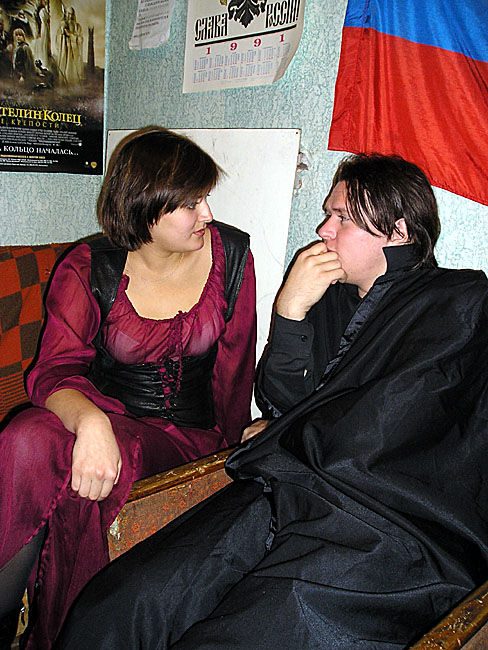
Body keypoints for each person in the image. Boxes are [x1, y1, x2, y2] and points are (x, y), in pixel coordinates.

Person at [55, 153, 488, 650]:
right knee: (120, 606)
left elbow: (407, 421)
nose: (323, 230)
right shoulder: (329, 296)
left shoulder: (460, 300)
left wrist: (294, 431)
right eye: (327, 214)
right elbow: (281, 403)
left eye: (342, 218)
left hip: (385, 527)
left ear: (398, 231)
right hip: (281, 491)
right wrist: (290, 311)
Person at [0, 126, 256, 650]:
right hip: (109, 417)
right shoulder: (90, 266)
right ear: (146, 208)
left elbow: (236, 372)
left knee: (106, 458)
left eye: (206, 199)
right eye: (191, 204)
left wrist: (231, 467)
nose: (207, 214)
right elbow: (52, 372)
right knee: (27, 437)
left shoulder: (231, 256)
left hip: (189, 438)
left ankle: (64, 634)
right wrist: (91, 422)